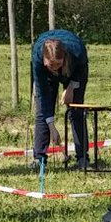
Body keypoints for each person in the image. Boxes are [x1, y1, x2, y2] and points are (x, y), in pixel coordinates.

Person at [32, 27, 90, 170]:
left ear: (64, 58)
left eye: (58, 64)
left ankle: (82, 158)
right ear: (44, 60)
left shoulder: (76, 52)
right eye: (51, 65)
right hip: (47, 75)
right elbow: (43, 95)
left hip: (74, 71)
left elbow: (81, 71)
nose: (55, 69)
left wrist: (70, 88)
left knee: (76, 110)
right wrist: (52, 127)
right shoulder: (38, 59)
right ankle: (39, 159)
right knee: (42, 113)